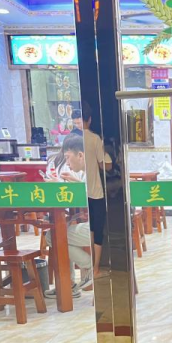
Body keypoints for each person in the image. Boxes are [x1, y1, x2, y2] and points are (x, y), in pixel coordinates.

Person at [61, 104, 111, 276]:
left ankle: (90, 269)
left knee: (57, 236)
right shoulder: (94, 141)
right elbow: (105, 165)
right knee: (60, 234)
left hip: (95, 211)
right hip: (96, 203)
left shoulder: (85, 143)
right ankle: (91, 270)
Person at [44, 134, 93, 298]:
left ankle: (90, 266)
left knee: (53, 235)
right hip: (103, 223)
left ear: (80, 155)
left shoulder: (94, 172)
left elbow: (92, 197)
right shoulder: (93, 169)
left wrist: (62, 185)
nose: (67, 162)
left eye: (68, 157)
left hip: (103, 226)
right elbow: (90, 193)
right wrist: (75, 183)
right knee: (56, 234)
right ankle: (77, 276)